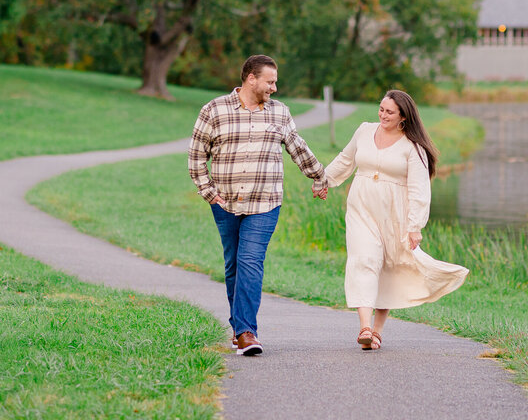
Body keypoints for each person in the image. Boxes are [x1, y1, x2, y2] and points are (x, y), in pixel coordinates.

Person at [188, 54, 328, 356]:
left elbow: (297, 147)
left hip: (265, 202)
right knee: (234, 264)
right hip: (224, 202)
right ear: (251, 79)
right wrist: (209, 193)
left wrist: (319, 176)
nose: (274, 88)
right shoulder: (214, 110)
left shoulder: (279, 113)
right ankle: (239, 326)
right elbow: (197, 157)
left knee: (250, 261)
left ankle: (246, 332)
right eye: (270, 81)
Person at [322, 89, 468, 350]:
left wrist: (415, 226)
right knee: (364, 259)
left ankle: (377, 331)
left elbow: (419, 189)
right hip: (361, 208)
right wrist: (324, 181)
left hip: (394, 214)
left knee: (388, 266)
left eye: (389, 112)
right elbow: (345, 159)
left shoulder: (413, 147)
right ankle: (364, 327)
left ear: (403, 116)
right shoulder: (365, 130)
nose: (382, 115)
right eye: (381, 109)